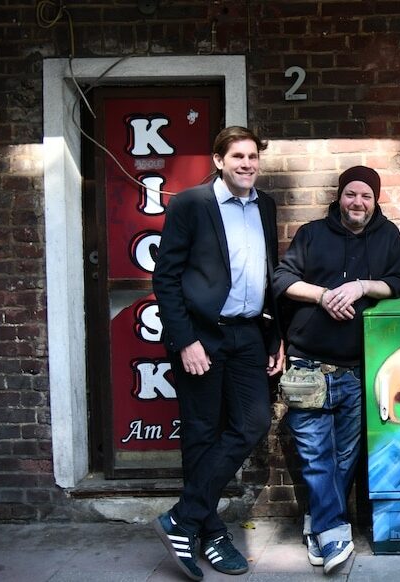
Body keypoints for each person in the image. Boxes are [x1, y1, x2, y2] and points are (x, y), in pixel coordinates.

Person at [151, 126, 284, 581]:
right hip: (202, 336)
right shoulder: (192, 204)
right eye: (238, 157)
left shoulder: (264, 205)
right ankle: (209, 531)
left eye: (253, 157)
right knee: (202, 434)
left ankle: (183, 517)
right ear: (218, 161)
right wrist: (184, 339)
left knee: (252, 422)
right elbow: (165, 278)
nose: (247, 164)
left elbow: (269, 275)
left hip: (248, 334)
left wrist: (275, 336)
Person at [274, 165, 400, 575]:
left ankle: (318, 517)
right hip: (308, 364)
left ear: (375, 200)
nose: (358, 202)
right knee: (316, 454)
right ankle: (332, 530)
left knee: (346, 455)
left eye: (366, 196)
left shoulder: (388, 236)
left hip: (355, 368)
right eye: (351, 194)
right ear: (339, 196)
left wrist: (363, 286)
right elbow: (281, 280)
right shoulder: (312, 234)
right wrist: (324, 295)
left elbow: (398, 283)